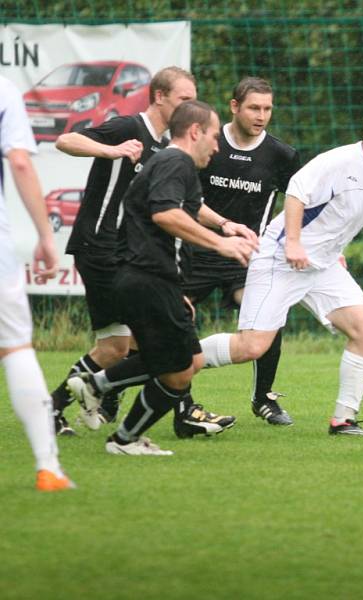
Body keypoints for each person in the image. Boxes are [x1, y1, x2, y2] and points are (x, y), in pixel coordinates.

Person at [199, 104, 363, 436]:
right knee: (251, 347)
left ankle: (343, 420)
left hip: (322, 267)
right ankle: (172, 359)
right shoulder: (338, 163)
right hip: (280, 258)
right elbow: (296, 194)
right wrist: (294, 243)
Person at [48, 66, 234, 438]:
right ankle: (77, 403)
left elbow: (180, 203)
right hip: (100, 246)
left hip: (126, 252)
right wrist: (111, 149)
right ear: (159, 96)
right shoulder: (126, 129)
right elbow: (65, 140)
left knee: (136, 342)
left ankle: (99, 397)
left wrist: (224, 224)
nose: (189, 105)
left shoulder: (168, 150)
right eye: (184, 98)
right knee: (130, 344)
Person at [69, 100, 257, 455]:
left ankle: (106, 402)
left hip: (152, 280)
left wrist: (221, 230)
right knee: (177, 368)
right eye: (214, 136)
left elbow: (169, 215)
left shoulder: (167, 163)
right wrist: (222, 244)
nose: (218, 146)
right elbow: (166, 215)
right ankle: (108, 408)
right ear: (196, 131)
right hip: (147, 279)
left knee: (190, 363)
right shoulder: (176, 161)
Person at [183, 77, 301, 429]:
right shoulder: (209, 144)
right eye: (254, 108)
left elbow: (301, 203)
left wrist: (302, 241)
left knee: (269, 316)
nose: (261, 115)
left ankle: (263, 398)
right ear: (234, 107)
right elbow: (186, 198)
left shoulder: (282, 155)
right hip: (199, 251)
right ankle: (175, 399)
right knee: (169, 319)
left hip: (248, 259)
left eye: (267, 108)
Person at [0, 75, 74, 491]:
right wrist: (46, 235)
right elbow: (21, 162)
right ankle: (48, 467)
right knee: (15, 346)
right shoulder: (4, 89)